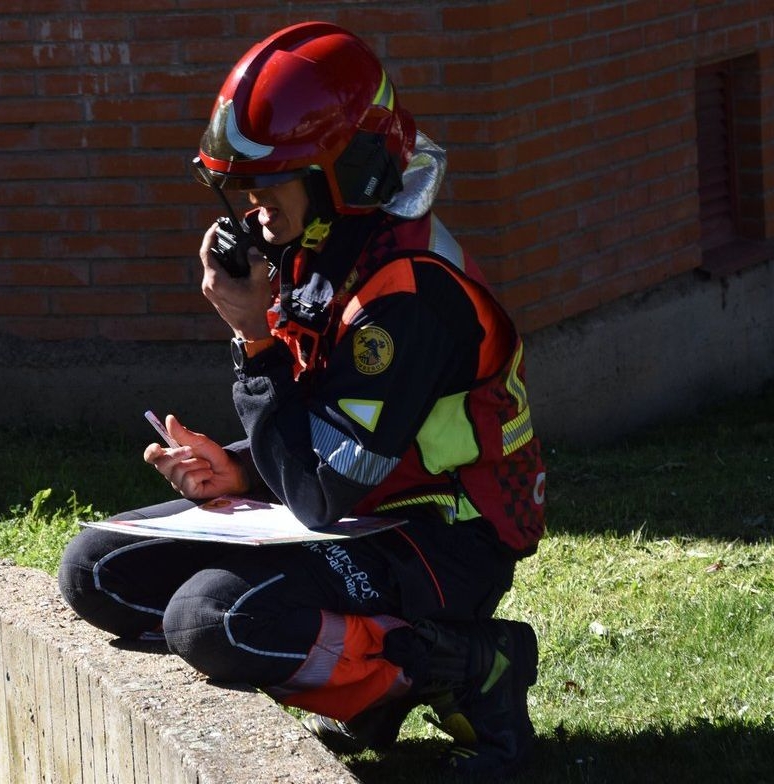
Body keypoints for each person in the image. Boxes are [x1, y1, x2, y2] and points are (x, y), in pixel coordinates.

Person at [58, 21, 547, 776]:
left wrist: (253, 341)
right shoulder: (329, 249)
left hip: (444, 541)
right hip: (369, 505)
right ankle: (358, 682)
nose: (248, 208)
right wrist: (243, 471)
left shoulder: (409, 300)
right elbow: (334, 434)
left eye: (265, 182)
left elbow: (324, 492)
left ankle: (466, 666)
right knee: (95, 570)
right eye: (239, 185)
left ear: (341, 172)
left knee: (212, 620)